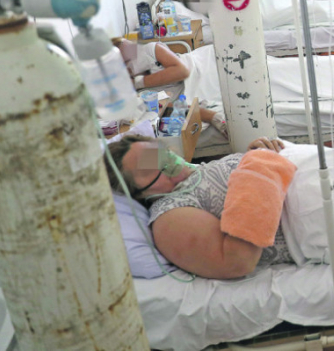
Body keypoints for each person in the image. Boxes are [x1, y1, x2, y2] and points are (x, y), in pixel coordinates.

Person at [106, 134, 288, 279]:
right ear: (136, 193)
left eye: (157, 154)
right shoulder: (170, 214)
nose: (162, 163)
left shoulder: (198, 171)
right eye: (147, 169)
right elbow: (237, 262)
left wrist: (253, 154)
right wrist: (258, 170)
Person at [115, 38, 227, 135]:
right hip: (193, 93)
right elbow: (167, 107)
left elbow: (182, 71)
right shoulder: (137, 92)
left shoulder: (150, 50)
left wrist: (138, 82)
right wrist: (210, 116)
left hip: (201, 65)